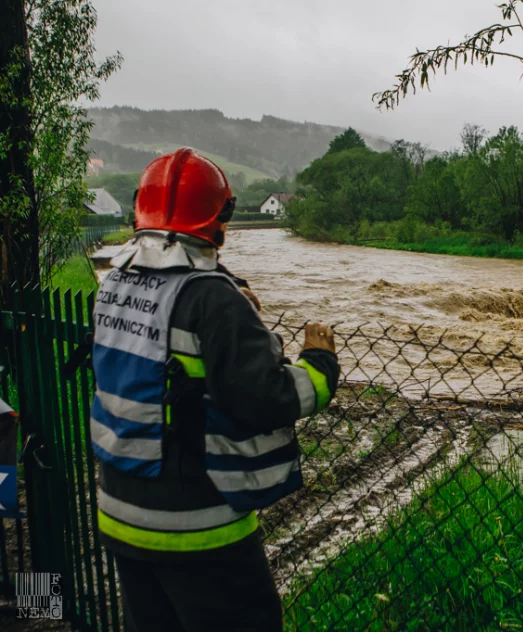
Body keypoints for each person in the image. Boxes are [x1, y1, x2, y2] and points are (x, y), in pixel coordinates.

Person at [90, 147, 339, 632]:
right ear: (218, 220)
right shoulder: (213, 300)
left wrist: (227, 300)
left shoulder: (114, 283)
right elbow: (265, 398)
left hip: (121, 516)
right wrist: (320, 363)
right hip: (195, 528)